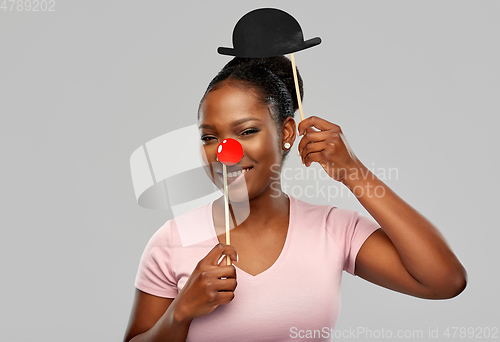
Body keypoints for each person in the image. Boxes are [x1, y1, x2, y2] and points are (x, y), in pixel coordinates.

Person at [123, 56, 467, 342]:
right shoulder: (171, 241)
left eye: (246, 131)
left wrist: (353, 171)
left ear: (286, 132)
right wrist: (180, 312)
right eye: (210, 136)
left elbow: (445, 281)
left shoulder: (332, 230)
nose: (225, 153)